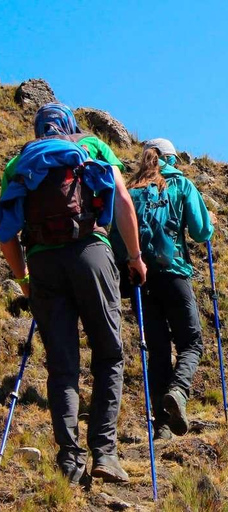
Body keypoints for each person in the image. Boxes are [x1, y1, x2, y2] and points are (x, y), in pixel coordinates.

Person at [0, 103, 146, 484]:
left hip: (43, 263)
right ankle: (105, 453)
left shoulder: (19, 164)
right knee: (109, 353)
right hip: (91, 253)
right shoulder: (92, 146)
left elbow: (4, 234)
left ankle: (69, 460)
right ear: (70, 123)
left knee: (62, 366)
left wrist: (25, 279)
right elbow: (124, 201)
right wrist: (134, 257)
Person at [111, 138, 214, 440]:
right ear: (171, 159)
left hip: (141, 279)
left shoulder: (130, 189)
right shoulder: (180, 184)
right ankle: (179, 392)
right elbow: (200, 231)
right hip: (174, 274)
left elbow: (117, 235)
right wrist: (211, 224)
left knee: (157, 351)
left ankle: (162, 426)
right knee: (192, 342)